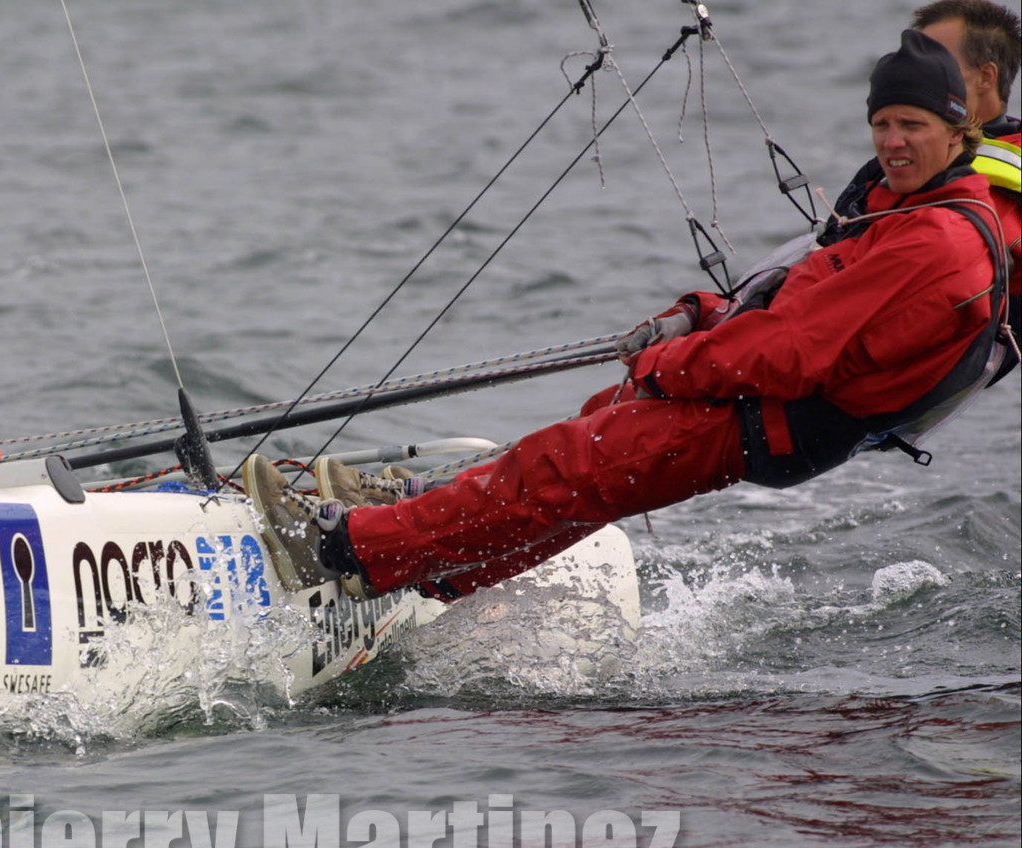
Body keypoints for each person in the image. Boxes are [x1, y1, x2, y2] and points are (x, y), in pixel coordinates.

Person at [244, 30, 1010, 604]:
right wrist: (700, 314)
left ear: (958, 132)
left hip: (769, 419)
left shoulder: (935, 238)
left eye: (911, 125)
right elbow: (795, 294)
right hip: (758, 402)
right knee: (580, 451)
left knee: (569, 466)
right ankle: (432, 567)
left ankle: (346, 550)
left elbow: (790, 351)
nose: (892, 142)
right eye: (883, 124)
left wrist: (663, 363)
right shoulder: (901, 204)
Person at [827, 0, 1019, 345]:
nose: (918, 68)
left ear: (986, 77)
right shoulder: (918, 159)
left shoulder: (985, 192)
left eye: (937, 61)